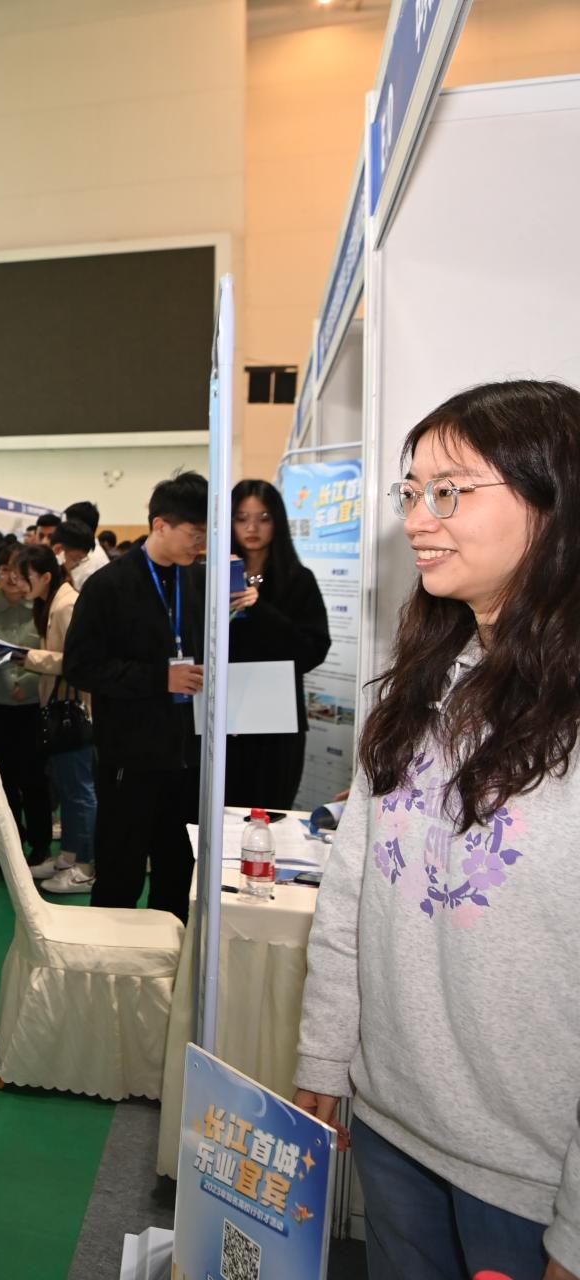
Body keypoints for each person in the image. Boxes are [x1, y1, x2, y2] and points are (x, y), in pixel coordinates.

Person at [293, 380, 580, 1280]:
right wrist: (324, 1059)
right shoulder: (426, 681)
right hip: (393, 1124)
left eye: (450, 491)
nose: (419, 518)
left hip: (529, 1180)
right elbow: (353, 894)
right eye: (412, 491)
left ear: (553, 502)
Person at [64, 472, 209, 920]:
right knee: (120, 872)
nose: (201, 544)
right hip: (129, 757)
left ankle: (171, 955)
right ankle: (110, 957)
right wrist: (157, 679)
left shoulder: (199, 581)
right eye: (194, 533)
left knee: (177, 871)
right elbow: (80, 666)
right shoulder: (109, 586)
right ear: (160, 525)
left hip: (187, 757)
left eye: (207, 534)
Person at [225, 478, 332, 810]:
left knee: (270, 815)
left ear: (278, 522)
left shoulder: (298, 580)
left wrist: (261, 609)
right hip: (223, 719)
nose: (252, 528)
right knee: (219, 818)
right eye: (241, 518)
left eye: (263, 518)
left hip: (277, 723)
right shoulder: (211, 577)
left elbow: (312, 650)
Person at [18, 542, 97, 894]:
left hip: (72, 711)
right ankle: (68, 857)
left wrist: (28, 657)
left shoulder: (66, 606)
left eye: (27, 577)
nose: (21, 584)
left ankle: (86, 866)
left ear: (46, 576)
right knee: (67, 788)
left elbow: (77, 661)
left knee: (79, 791)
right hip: (60, 710)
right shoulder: (52, 604)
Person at [0, 544, 58, 872]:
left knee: (34, 778)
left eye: (17, 572)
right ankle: (10, 846)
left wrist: (25, 682)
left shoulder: (41, 608)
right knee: (4, 782)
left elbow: (51, 655)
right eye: (4, 571)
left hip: (30, 705)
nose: (11, 578)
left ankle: (40, 845)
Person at [52, 518, 104, 590]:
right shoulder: (42, 577)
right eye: (75, 559)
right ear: (58, 549)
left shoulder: (64, 575)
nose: (77, 564)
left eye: (81, 560)